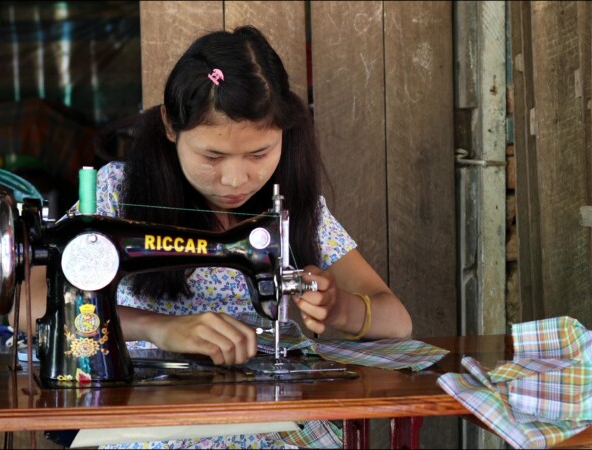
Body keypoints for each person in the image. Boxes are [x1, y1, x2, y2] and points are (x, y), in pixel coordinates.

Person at [26, 25, 412, 449]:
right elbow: (28, 303)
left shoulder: (293, 209)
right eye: (212, 156)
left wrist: (339, 309)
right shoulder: (116, 194)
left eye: (259, 154)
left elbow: (396, 321)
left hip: (267, 418)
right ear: (171, 127)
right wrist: (159, 329)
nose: (235, 178)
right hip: (145, 418)